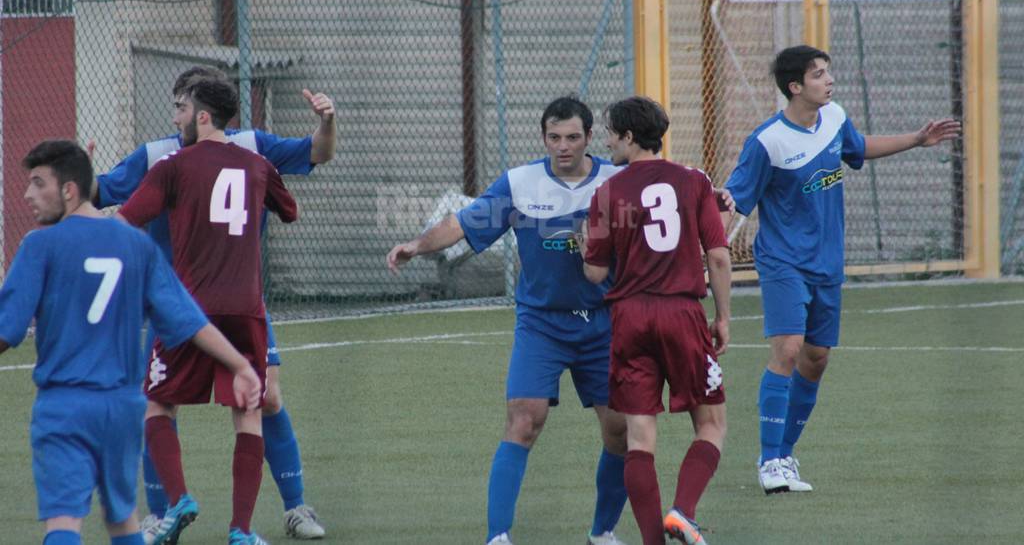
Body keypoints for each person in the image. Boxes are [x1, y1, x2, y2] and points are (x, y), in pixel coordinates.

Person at [94, 65, 332, 540]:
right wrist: (81, 175)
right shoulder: (159, 156)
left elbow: (317, 152)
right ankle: (171, 515)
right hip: (182, 301)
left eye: (181, 105)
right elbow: (102, 188)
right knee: (171, 402)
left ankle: (294, 507)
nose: (175, 116)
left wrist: (326, 122)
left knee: (258, 398)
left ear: (201, 114)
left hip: (215, 299)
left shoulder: (250, 146)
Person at [387, 96, 630, 545]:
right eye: (554, 137)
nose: (563, 146)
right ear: (543, 138)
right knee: (524, 419)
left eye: (573, 137)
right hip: (542, 323)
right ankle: (497, 536)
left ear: (589, 138)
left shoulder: (618, 181)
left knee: (620, 430)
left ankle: (603, 532)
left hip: (603, 322)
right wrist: (417, 245)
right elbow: (461, 224)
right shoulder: (520, 183)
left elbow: (669, 198)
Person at [722, 45, 961, 494]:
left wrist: (915, 138)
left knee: (816, 359)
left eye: (828, 72)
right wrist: (719, 202)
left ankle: (785, 455)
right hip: (783, 260)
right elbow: (737, 194)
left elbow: (857, 148)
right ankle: (770, 461)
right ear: (795, 87)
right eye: (818, 74)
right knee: (789, 350)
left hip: (827, 263)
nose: (828, 80)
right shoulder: (767, 140)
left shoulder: (834, 118)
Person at [0, 140, 262, 545]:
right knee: (123, 522)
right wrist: (241, 366)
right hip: (122, 410)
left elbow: (6, 330)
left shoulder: (40, 245)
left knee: (65, 521)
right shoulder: (137, 245)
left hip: (64, 406)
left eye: (37, 183)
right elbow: (189, 320)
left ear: (69, 190)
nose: (27, 194)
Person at [581, 97, 731, 545]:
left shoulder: (607, 193)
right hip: (681, 312)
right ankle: (683, 512)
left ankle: (652, 541)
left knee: (639, 438)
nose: (607, 141)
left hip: (628, 317)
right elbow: (719, 257)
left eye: (611, 133)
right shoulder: (693, 180)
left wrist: (583, 242)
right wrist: (722, 317)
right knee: (711, 424)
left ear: (629, 137)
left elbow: (595, 272)